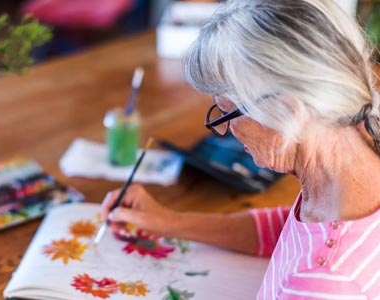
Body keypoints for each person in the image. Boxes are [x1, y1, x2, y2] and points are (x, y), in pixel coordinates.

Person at [101, 0, 380, 298]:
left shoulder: (322, 283)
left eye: (227, 112)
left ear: (287, 110)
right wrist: (167, 222)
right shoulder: (355, 148)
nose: (226, 132)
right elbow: (289, 230)